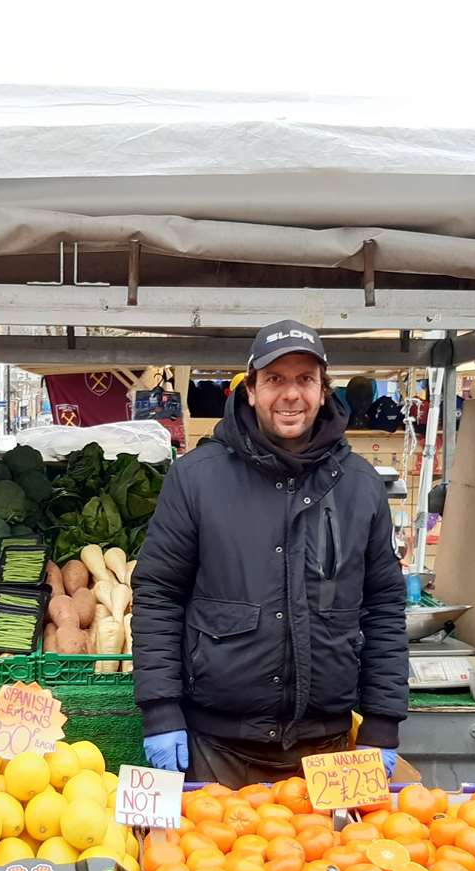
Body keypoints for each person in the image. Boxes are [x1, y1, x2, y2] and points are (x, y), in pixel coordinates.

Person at [132, 320, 408, 785]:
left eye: (304, 379)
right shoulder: (197, 479)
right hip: (217, 744)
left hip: (328, 748)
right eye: (275, 379)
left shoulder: (360, 486)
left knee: (329, 860)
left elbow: (383, 606)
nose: (290, 395)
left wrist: (382, 721)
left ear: (323, 391)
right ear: (251, 390)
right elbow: (159, 595)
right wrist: (160, 710)